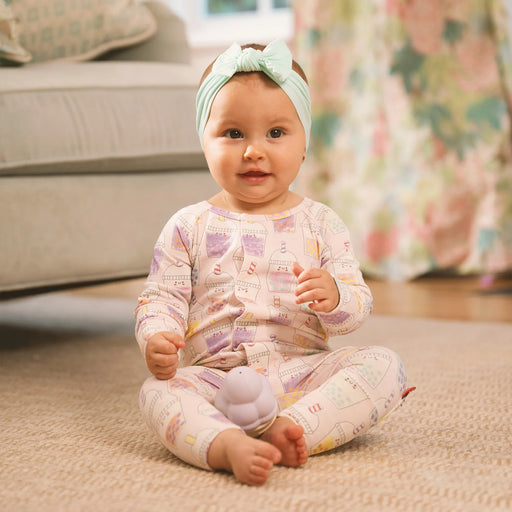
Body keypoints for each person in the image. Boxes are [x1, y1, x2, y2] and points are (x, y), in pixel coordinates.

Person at [134, 40, 409, 486]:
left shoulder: (321, 223)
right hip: (214, 379)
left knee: (384, 365)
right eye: (233, 133)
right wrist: (157, 336)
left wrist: (335, 296)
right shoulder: (188, 224)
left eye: (276, 134)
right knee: (158, 392)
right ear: (203, 142)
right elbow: (160, 296)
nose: (253, 151)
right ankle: (223, 444)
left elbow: (356, 306)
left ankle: (293, 426)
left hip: (301, 373)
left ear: (304, 145)